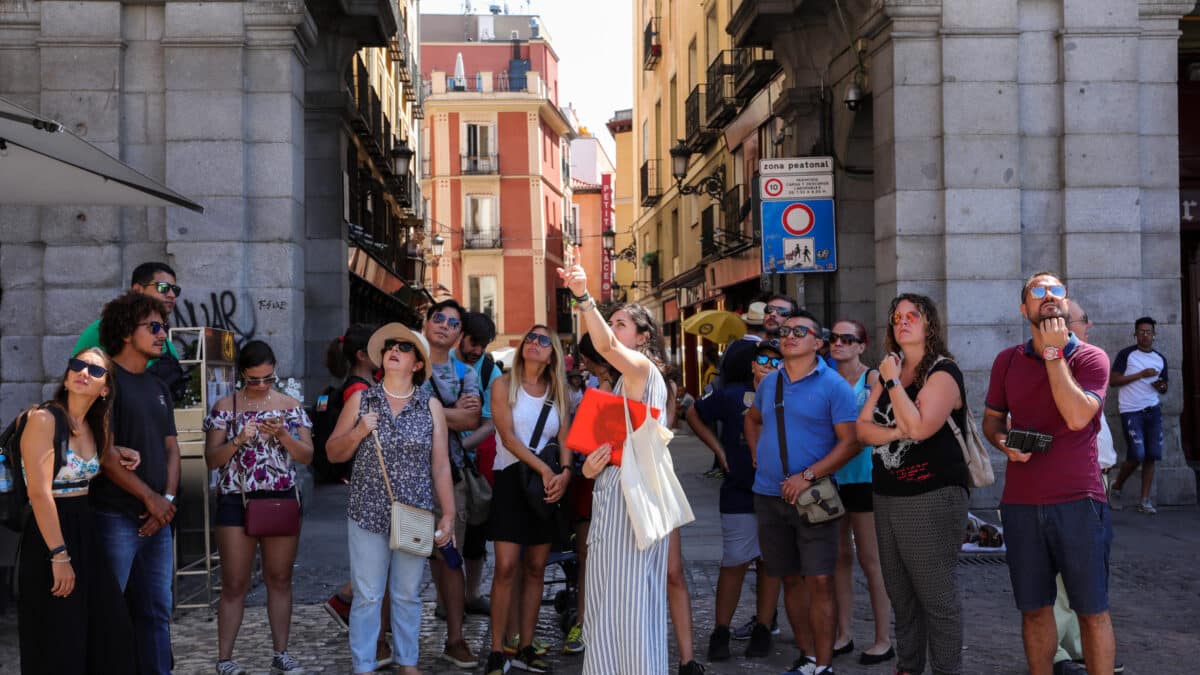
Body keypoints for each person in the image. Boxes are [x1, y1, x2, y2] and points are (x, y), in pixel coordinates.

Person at [558, 247, 704, 675]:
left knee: (632, 606)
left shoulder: (642, 370)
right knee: (604, 605)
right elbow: (603, 451)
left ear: (642, 336)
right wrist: (589, 468)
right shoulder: (620, 382)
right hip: (612, 495)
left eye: (621, 322)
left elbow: (601, 342)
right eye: (613, 320)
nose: (612, 330)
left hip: (634, 501)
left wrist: (584, 297)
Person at [983, 272, 1114, 675]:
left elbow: (1077, 417)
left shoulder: (1091, 358)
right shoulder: (1007, 360)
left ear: (1067, 303)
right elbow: (991, 422)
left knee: (1091, 610)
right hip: (1021, 504)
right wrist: (1005, 443)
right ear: (1024, 309)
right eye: (1037, 291)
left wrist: (1055, 354)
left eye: (1056, 290)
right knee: (1034, 610)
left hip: (1079, 502)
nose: (1049, 297)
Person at [325, 323, 455, 675]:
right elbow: (333, 452)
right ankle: (364, 664)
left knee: (407, 592)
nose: (393, 350)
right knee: (368, 594)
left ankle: (407, 661)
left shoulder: (430, 407)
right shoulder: (361, 399)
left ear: (417, 364)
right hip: (366, 510)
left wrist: (448, 516)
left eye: (404, 347)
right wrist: (358, 432)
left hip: (414, 511)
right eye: (389, 347)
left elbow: (440, 465)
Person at [856, 296, 970, 675]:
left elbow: (921, 429)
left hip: (932, 495)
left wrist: (890, 384)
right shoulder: (889, 368)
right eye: (896, 318)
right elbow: (862, 429)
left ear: (929, 325)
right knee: (900, 595)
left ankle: (945, 670)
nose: (902, 323)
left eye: (912, 317)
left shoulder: (942, 372)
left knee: (936, 596)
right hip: (887, 494)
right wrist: (899, 427)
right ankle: (908, 667)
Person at [744, 311, 859, 675]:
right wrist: (756, 456)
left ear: (818, 342)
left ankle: (824, 665)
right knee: (788, 577)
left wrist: (807, 475)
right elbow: (752, 419)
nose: (789, 336)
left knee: (820, 579)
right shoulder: (769, 383)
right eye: (785, 331)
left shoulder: (834, 386)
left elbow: (851, 442)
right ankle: (808, 657)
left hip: (815, 498)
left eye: (799, 331)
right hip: (768, 496)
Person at [17, 349, 137, 674]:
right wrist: (59, 556)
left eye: (94, 371)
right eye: (77, 365)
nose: (83, 372)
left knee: (108, 633)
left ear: (106, 388)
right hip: (50, 535)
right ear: (68, 376)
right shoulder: (44, 419)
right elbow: (40, 493)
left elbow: (90, 463)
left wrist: (122, 452)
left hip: (86, 529)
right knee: (60, 640)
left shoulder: (96, 422)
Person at [203, 340, 313, 675]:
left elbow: (307, 456)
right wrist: (238, 440)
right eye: (254, 379)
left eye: (268, 378)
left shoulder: (290, 406)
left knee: (279, 578)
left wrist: (282, 434)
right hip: (236, 498)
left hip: (278, 496)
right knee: (234, 582)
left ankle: (282, 652)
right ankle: (225, 659)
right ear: (241, 376)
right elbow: (211, 460)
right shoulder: (226, 407)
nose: (262, 385)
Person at [88, 291, 180, 675]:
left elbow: (172, 450)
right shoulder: (104, 382)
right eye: (154, 327)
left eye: (164, 327)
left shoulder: (158, 386)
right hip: (116, 516)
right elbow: (104, 454)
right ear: (127, 331)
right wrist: (151, 499)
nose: (163, 335)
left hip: (157, 521)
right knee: (109, 610)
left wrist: (167, 501)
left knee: (158, 610)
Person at [484, 325, 574, 674]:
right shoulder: (503, 385)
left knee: (536, 567)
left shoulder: (558, 390)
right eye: (531, 338)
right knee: (506, 567)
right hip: (512, 481)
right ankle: (496, 649)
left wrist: (564, 473)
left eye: (543, 341)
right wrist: (547, 471)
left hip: (547, 486)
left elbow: (565, 435)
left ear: (552, 353)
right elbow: (507, 438)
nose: (535, 344)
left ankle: (526, 645)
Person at [1053, 303, 1124, 675]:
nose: (1088, 326)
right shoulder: (1053, 365)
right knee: (1063, 576)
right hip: (1071, 484)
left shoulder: (1090, 360)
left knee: (1091, 571)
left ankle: (1082, 647)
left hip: (1098, 479)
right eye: (1081, 322)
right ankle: (1060, 654)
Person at [687, 337, 766, 662]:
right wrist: (719, 451)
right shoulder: (731, 395)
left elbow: (692, 413)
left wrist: (718, 451)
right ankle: (749, 629)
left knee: (741, 564)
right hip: (746, 490)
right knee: (757, 564)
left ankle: (731, 631)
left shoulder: (773, 392)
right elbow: (693, 413)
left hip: (761, 489)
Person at [827, 319, 893, 666]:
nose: (838, 343)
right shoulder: (826, 380)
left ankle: (883, 638)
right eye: (834, 338)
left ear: (861, 345)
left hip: (867, 476)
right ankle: (843, 633)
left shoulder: (874, 380)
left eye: (847, 339)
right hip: (834, 478)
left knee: (871, 560)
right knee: (839, 557)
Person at [421, 299, 482, 668]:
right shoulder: (407, 359)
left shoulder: (465, 373)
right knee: (403, 556)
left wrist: (422, 408)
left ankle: (455, 638)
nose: (444, 325)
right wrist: (450, 414)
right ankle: (385, 636)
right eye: (438, 318)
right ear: (426, 323)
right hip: (407, 478)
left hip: (451, 475)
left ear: (460, 333)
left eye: (453, 322)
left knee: (449, 556)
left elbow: (471, 421)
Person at [73, 262, 188, 400]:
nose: (171, 295)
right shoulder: (102, 330)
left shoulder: (167, 346)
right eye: (163, 288)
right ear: (137, 289)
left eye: (175, 290)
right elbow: (78, 383)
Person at [452, 311, 503, 613]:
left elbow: (489, 422)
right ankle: (449, 599)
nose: (478, 350)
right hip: (434, 462)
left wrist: (458, 446)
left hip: (472, 467)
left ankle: (470, 595)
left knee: (474, 533)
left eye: (483, 345)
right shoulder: (438, 364)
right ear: (460, 334)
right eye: (473, 342)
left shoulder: (488, 372)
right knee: (442, 538)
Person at [1108, 316, 1168, 514]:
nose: (1145, 335)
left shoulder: (1160, 359)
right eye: (1141, 332)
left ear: (1154, 334)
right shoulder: (1127, 355)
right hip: (1131, 411)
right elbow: (1114, 381)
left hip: (1153, 410)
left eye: (1148, 332)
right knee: (1138, 453)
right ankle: (1116, 488)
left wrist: (1161, 386)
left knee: (1152, 455)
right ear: (1135, 334)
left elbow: (1164, 387)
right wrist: (1140, 375)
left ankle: (1145, 500)